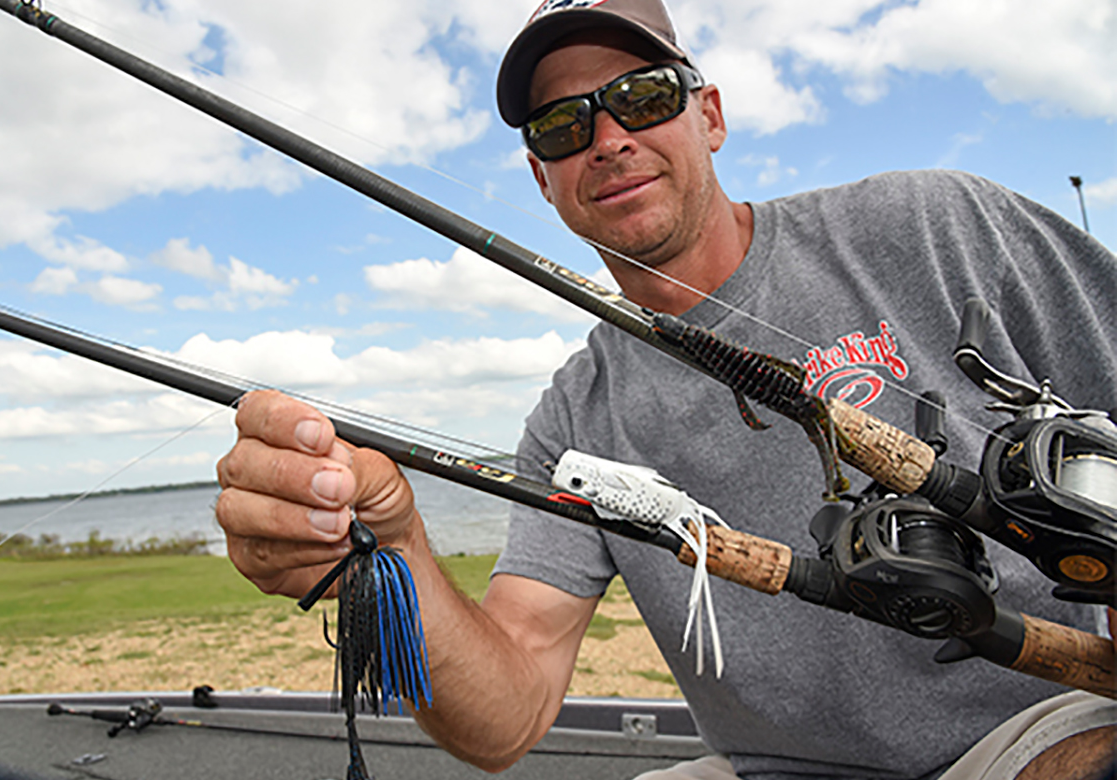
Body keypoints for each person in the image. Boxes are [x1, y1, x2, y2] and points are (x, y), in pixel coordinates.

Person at [215, 1, 1117, 777]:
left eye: (640, 98)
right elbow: (504, 718)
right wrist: (393, 553)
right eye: (562, 127)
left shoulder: (936, 224)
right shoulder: (573, 419)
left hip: (1038, 731)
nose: (607, 140)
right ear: (543, 176)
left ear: (710, 115)